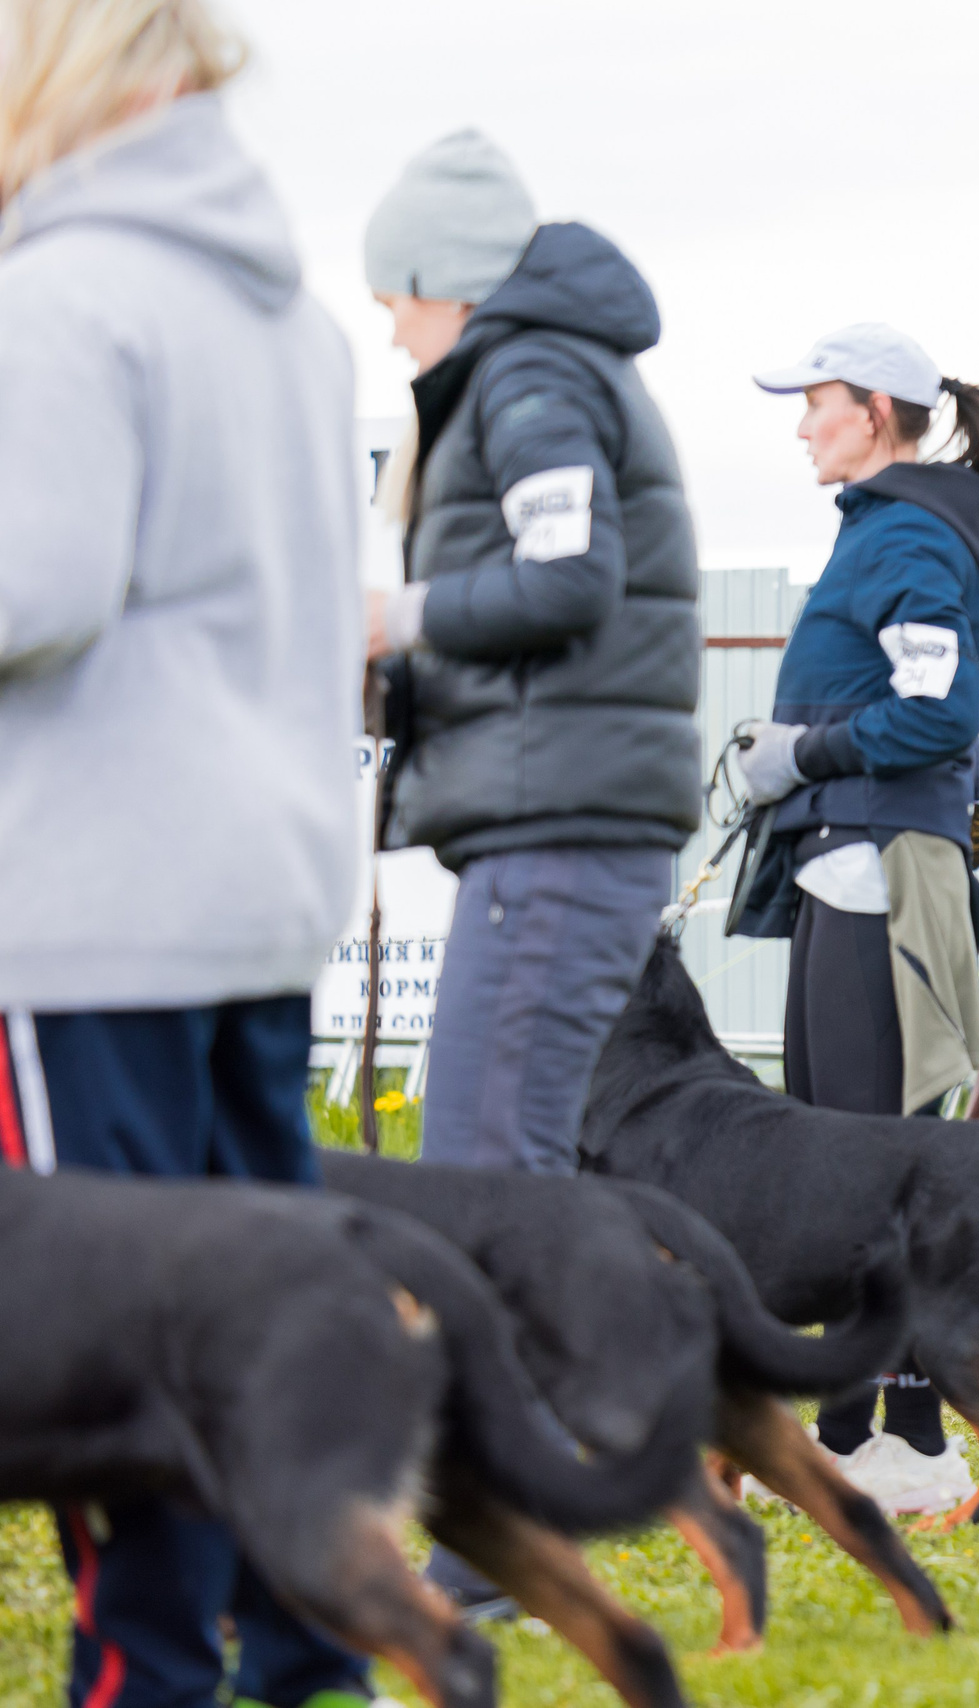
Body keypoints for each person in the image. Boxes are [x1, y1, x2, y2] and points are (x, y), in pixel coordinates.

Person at [0, 4, 374, 1702]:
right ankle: (308, 1667)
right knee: (260, 1342)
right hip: (255, 891)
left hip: (91, 910)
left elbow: (33, 588)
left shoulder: (65, 295)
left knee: (110, 1375)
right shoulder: (293, 321)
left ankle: (148, 1681)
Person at [362, 130, 702, 1179]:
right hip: (558, 831)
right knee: (509, 1166)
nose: (394, 340)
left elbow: (567, 577)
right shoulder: (547, 365)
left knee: (488, 1175)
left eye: (393, 309)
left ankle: (549, 1349)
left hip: (558, 841)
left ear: (441, 281)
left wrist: (397, 618)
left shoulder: (529, 375)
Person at [729, 322, 979, 1516]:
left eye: (818, 402)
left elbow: (935, 716)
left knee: (877, 1166)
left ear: (882, 413)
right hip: (835, 871)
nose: (801, 422)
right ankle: (850, 1423)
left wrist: (800, 751)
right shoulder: (879, 532)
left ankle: (915, 1433)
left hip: (879, 876)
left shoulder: (909, 532)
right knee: (830, 1162)